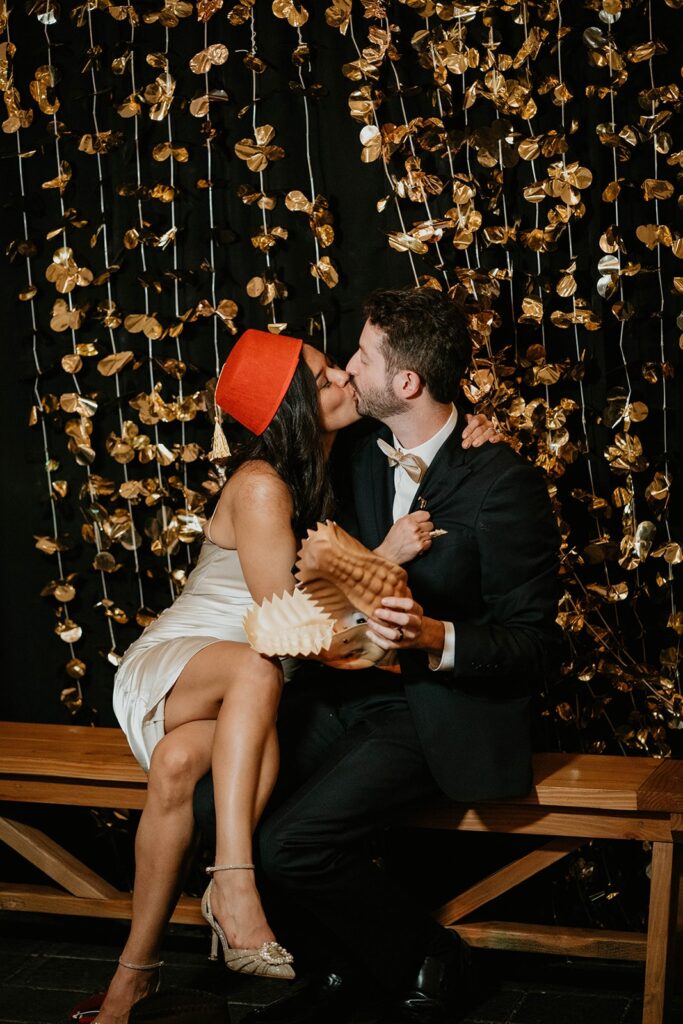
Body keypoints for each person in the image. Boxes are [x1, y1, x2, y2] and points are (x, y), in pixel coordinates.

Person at [95, 325, 498, 1024]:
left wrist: (476, 428)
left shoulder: (327, 467)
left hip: (240, 683)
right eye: (322, 379)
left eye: (338, 369)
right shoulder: (258, 485)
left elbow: (426, 436)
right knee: (258, 668)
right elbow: (282, 622)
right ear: (290, 409)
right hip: (188, 659)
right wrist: (383, 555)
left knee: (177, 765)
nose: (343, 377)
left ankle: (130, 982)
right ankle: (234, 886)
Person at [238, 288, 561, 1024]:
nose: (348, 370)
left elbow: (537, 645)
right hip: (342, 691)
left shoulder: (503, 482)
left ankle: (436, 959)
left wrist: (433, 639)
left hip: (433, 706)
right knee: (219, 807)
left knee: (292, 845)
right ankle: (335, 972)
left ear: (407, 383)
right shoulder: (350, 452)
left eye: (360, 356)